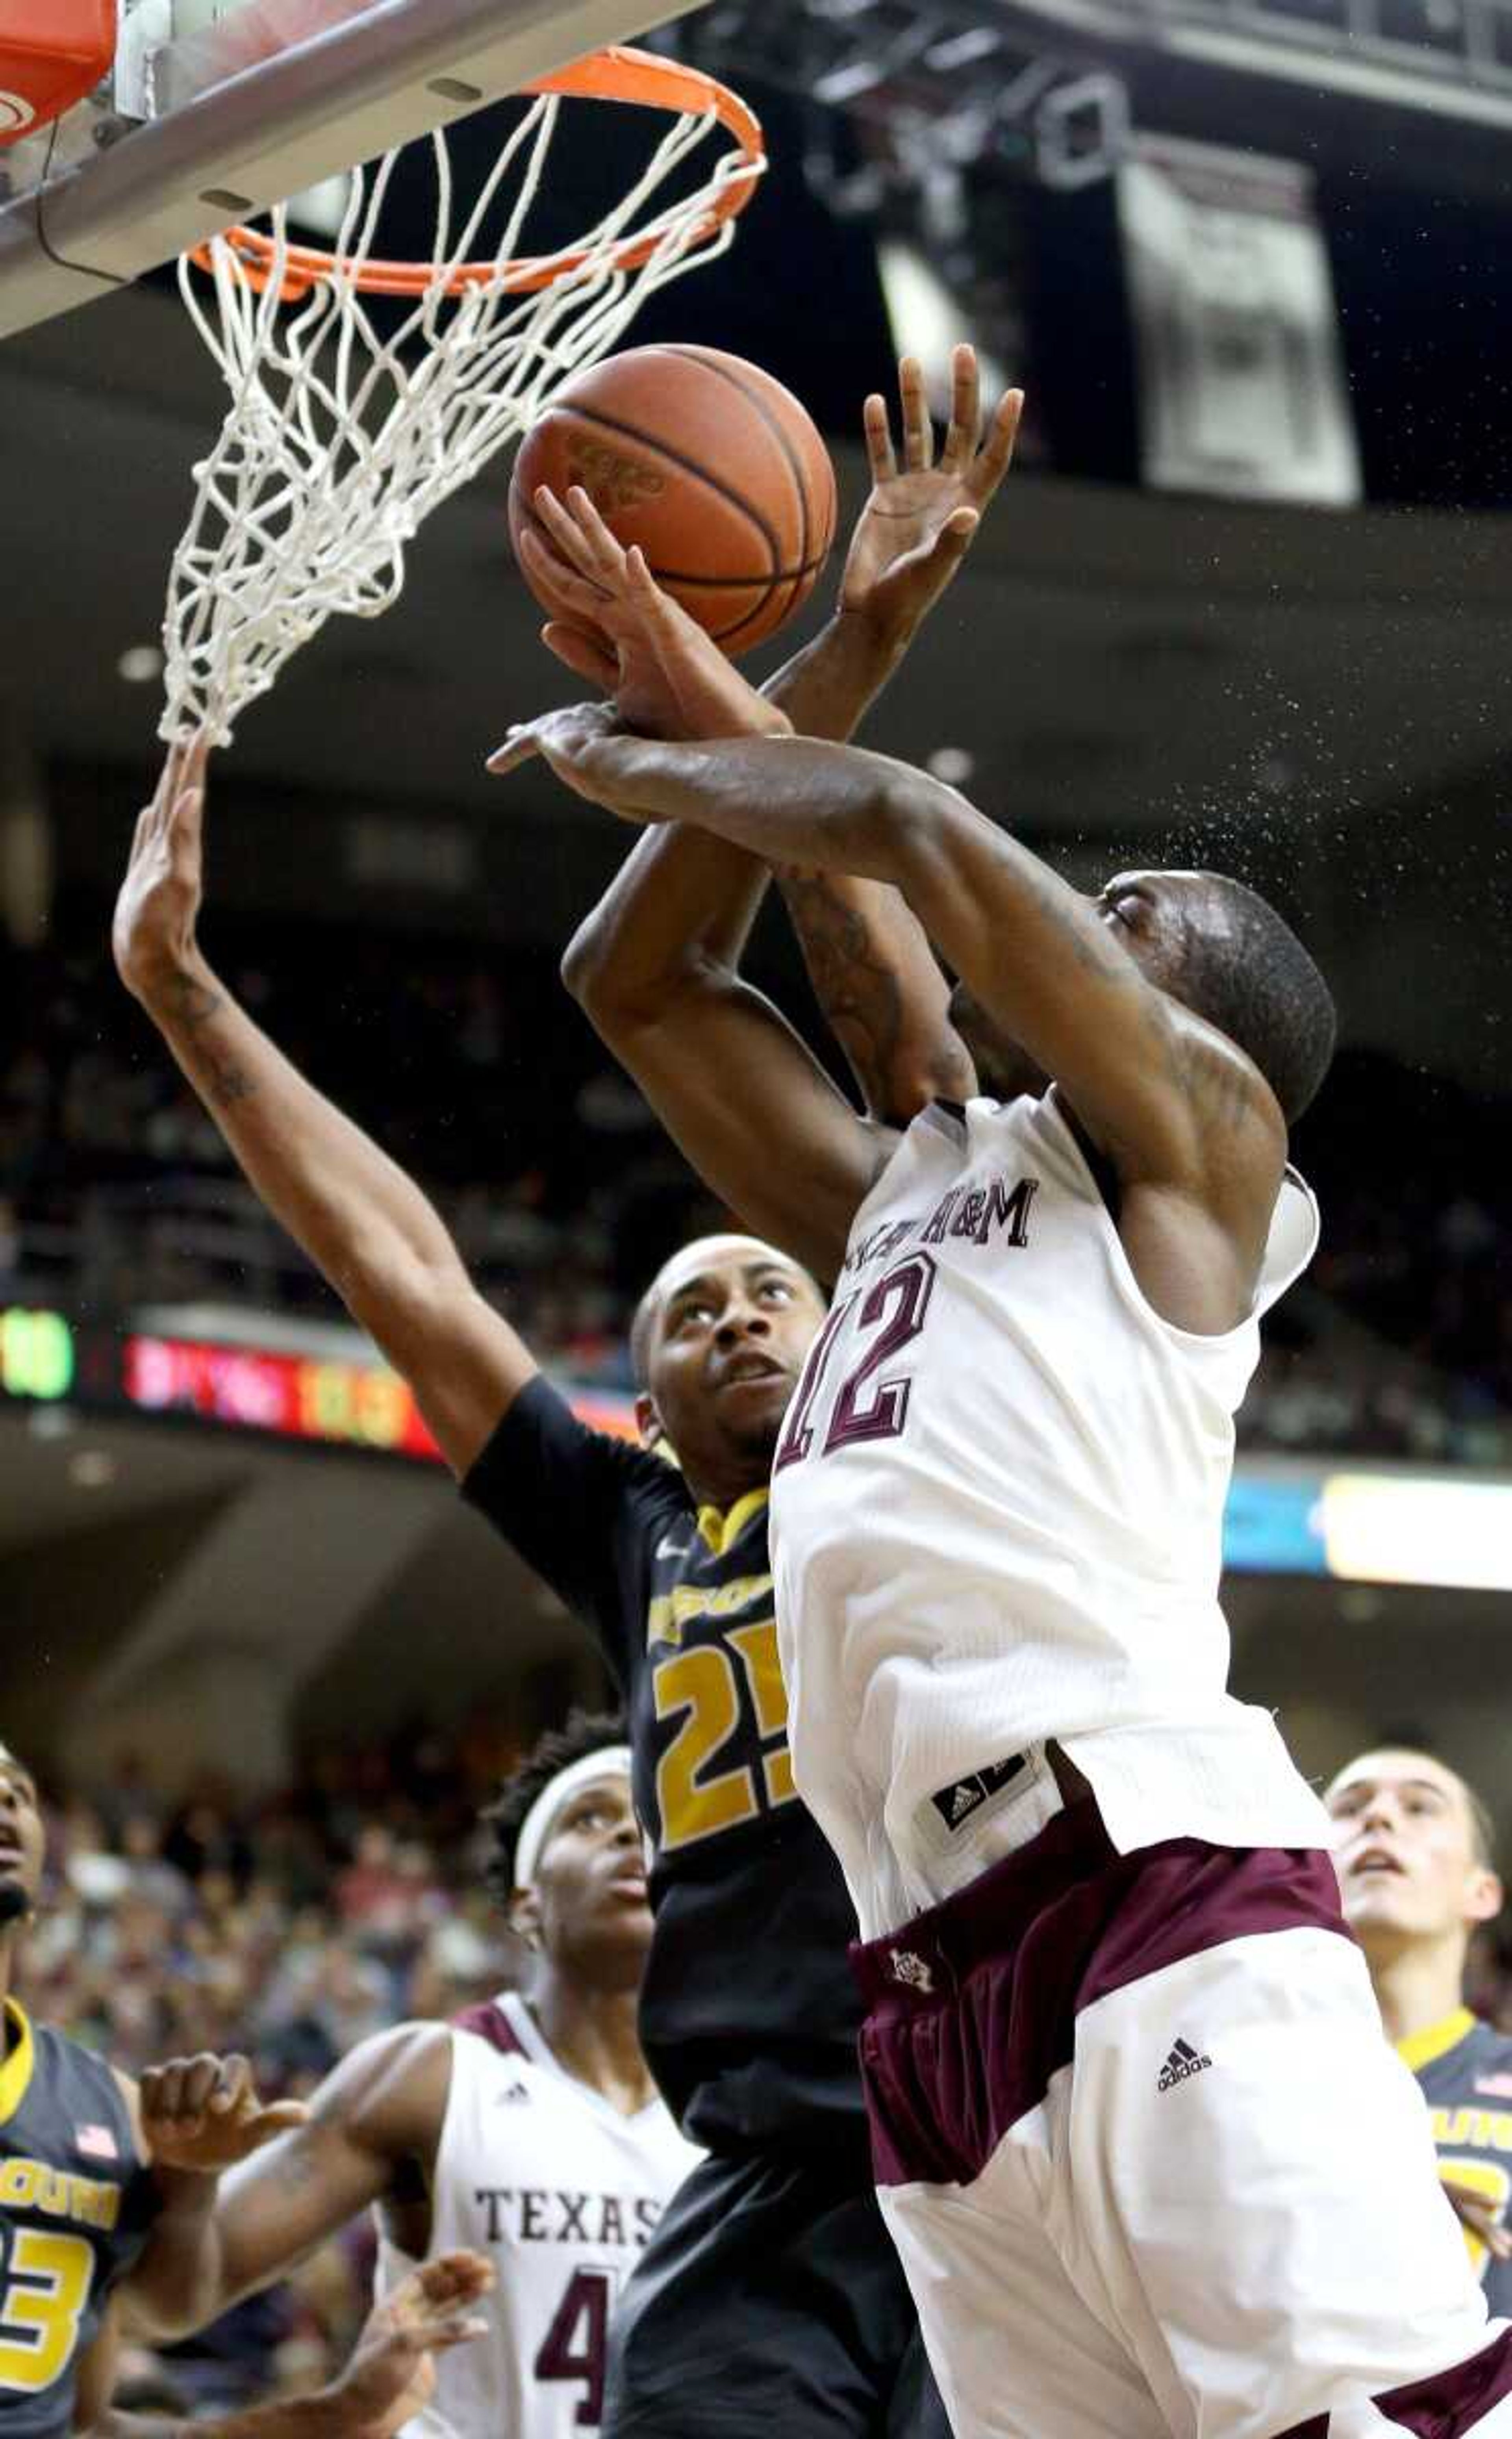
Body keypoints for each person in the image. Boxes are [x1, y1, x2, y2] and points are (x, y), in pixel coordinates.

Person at [497, 467, 1512, 2439]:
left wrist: (656, 743)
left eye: (1125, 918)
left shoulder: (1209, 1166)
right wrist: (795, 656)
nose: (1079, 914)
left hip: (1145, 1884)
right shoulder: (913, 1186)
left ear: (1198, 1019)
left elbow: (906, 830)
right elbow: (636, 985)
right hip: (920, 1991)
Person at [112, 349, 1017, 2439]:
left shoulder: (943, 1409)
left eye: (767, 1289)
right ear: (640, 1389)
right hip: (784, 2170)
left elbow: (898, 1029)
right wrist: (184, 994)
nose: (727, 1320)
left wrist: (852, 646)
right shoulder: (635, 1527)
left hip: (1003, 2148)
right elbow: (402, 1272)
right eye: (685, 1311)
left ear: (849, 1316)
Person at [145, 1718, 700, 2439]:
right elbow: (179, 2292)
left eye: (649, 1820)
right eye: (590, 1817)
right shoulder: (429, 2075)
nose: (630, 1838)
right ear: (524, 1901)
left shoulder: (736, 2116)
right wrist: (187, 2188)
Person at [0, 1738, 492, 2439]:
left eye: (20, 1790)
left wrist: (335, 2413)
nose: (9, 1802)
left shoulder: (103, 2104)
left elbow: (87, 2428)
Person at [1327, 1746, 1512, 2308]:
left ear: (1481, 1892)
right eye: (1349, 1806)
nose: (1378, 1817)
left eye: (1419, 1807)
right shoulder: (1241, 2085)